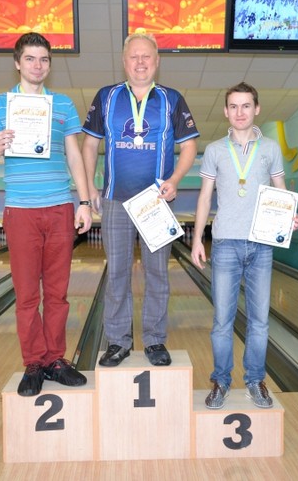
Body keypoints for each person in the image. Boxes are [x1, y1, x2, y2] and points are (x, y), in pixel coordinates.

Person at [0, 32, 92, 397]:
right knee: (27, 296)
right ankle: (34, 363)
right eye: (30, 58)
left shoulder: (63, 104)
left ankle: (55, 359)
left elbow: (74, 155)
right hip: (21, 211)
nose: (37, 65)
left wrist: (85, 202)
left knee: (57, 293)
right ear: (17, 63)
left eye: (43, 59)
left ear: (49, 65)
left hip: (58, 208)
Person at [82, 33, 199, 367]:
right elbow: (89, 145)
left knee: (157, 274)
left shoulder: (172, 99)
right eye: (134, 56)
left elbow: (189, 146)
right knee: (117, 274)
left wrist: (175, 180)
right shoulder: (106, 97)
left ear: (157, 61)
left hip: (156, 203)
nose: (140, 62)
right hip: (115, 201)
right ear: (124, 61)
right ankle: (118, 342)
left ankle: (154, 340)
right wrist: (89, 187)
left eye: (146, 56)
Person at [190, 82, 298, 409]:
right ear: (226, 111)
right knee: (222, 321)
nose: (240, 112)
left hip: (262, 244)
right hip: (225, 242)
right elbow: (204, 197)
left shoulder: (270, 148)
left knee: (259, 320)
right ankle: (220, 381)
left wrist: (290, 216)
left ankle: (255, 380)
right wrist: (197, 239)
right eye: (234, 106)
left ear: (256, 109)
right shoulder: (215, 150)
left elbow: (281, 190)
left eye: (246, 106)